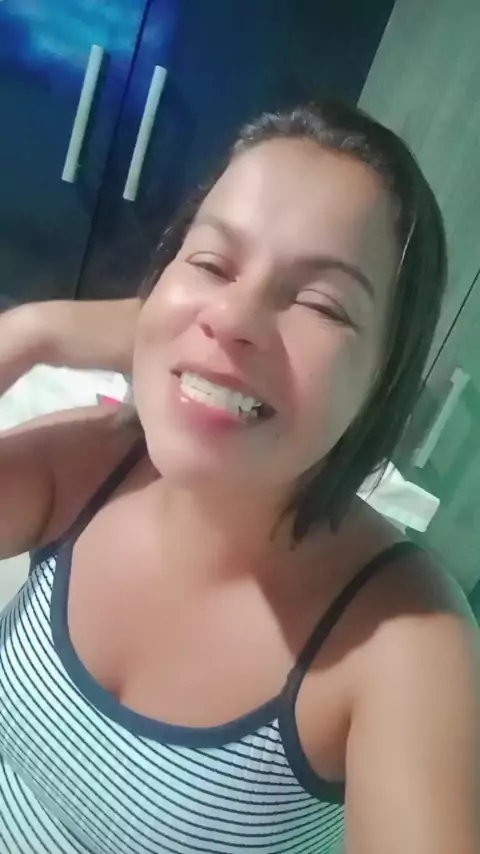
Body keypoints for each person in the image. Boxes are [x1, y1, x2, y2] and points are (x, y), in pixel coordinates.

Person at [0, 101, 478, 854]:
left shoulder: (406, 640)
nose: (233, 318)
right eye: (212, 264)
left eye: (322, 303)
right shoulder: (91, 465)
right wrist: (33, 331)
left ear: (384, 380)